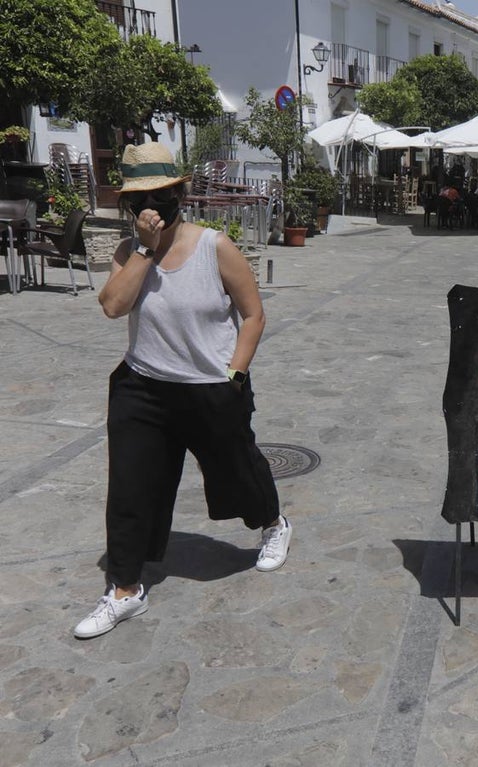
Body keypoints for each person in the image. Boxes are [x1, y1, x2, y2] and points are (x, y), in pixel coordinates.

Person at [73, 144, 290, 639]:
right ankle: (125, 590)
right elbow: (112, 307)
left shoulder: (217, 247)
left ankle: (274, 523)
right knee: (131, 487)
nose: (149, 209)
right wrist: (147, 250)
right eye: (138, 201)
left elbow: (253, 314)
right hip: (141, 387)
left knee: (237, 471)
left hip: (211, 386)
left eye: (160, 196)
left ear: (179, 193)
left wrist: (234, 376)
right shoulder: (131, 252)